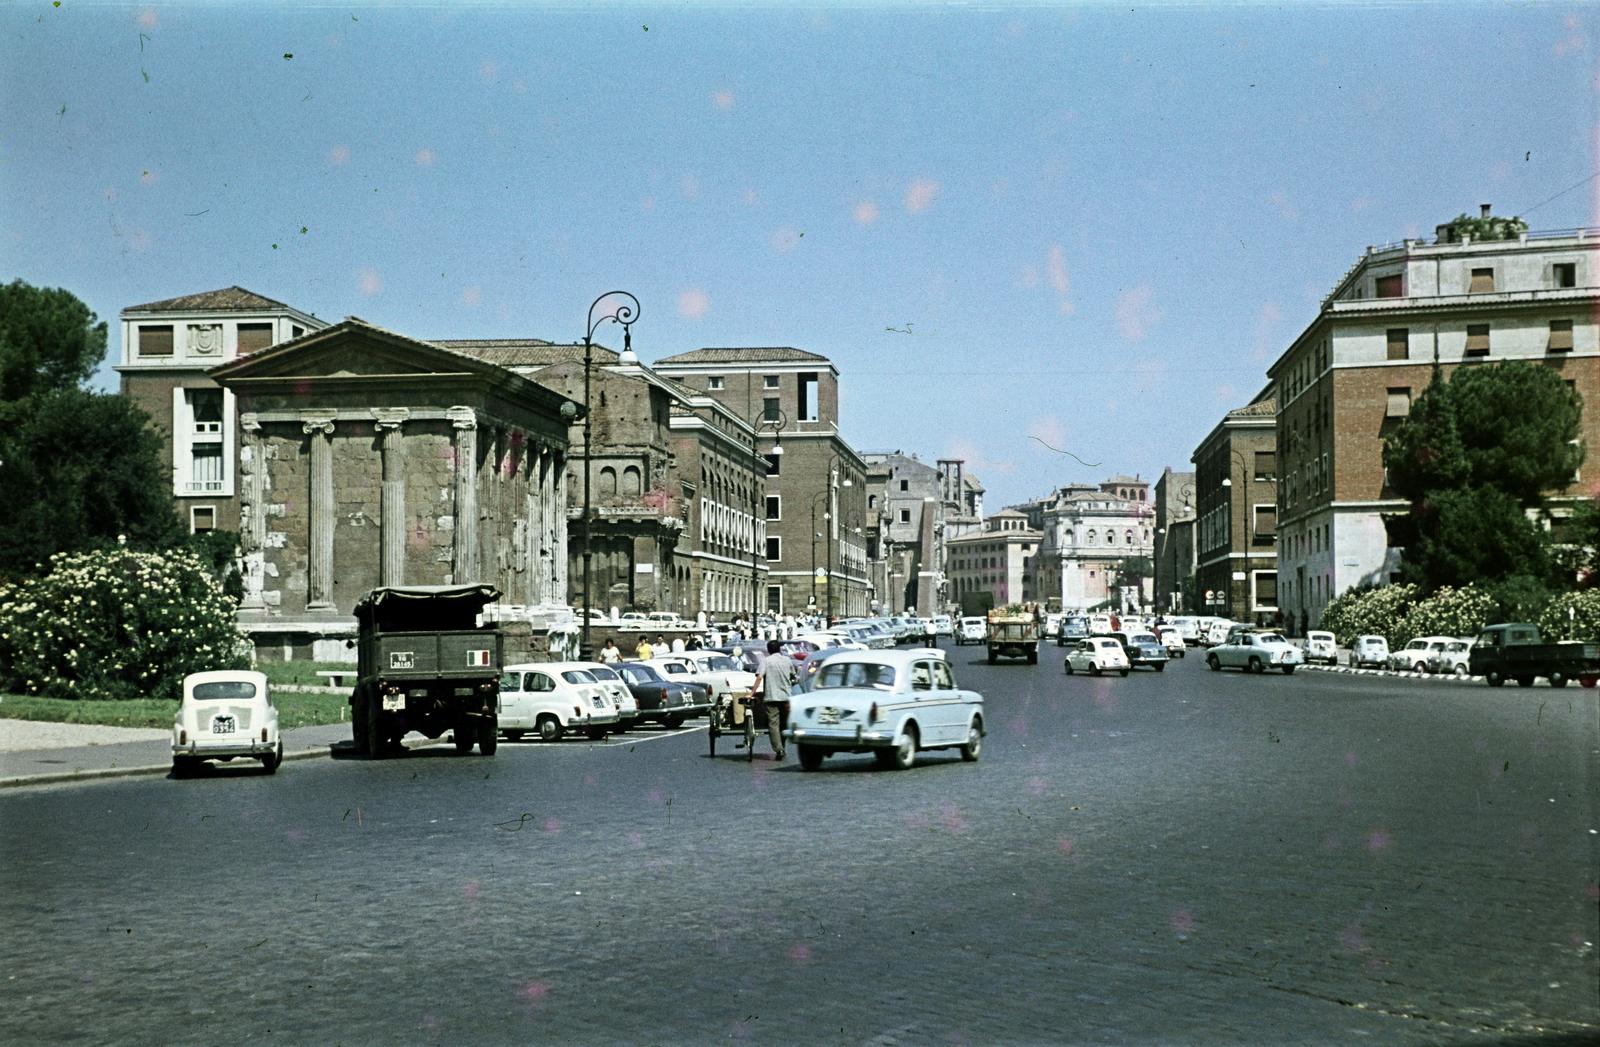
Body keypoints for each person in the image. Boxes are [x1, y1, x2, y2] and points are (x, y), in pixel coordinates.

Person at [751, 638, 796, 761]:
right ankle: (782, 746)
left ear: (768, 650)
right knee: (784, 723)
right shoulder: (787, 660)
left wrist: (751, 693)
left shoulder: (766, 661)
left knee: (773, 724)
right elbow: (793, 675)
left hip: (771, 697)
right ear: (779, 649)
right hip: (786, 697)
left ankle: (778, 749)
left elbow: (759, 677)